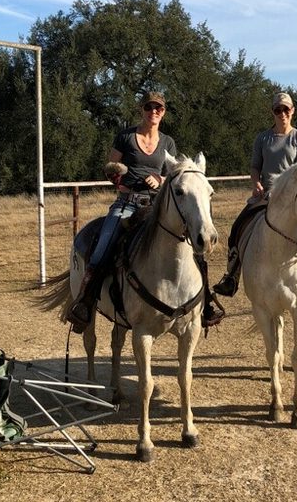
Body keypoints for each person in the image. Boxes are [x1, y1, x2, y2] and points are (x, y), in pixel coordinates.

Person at [68, 91, 223, 332]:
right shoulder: (125, 137)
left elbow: (174, 175)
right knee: (102, 248)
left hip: (155, 206)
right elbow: (110, 169)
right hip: (127, 202)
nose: (154, 112)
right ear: (142, 109)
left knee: (194, 247)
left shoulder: (167, 143)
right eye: (149, 107)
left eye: (158, 108)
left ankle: (205, 302)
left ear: (163, 112)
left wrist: (160, 179)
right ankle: (85, 302)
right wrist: (118, 179)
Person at [213, 91, 297, 297]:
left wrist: (285, 193)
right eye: (278, 110)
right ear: (273, 112)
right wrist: (256, 183)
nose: (282, 113)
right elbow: (255, 167)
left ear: (292, 111)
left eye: (286, 109)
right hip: (265, 195)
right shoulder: (262, 138)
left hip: (292, 198)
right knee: (239, 224)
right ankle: (232, 274)